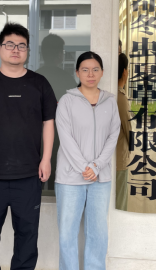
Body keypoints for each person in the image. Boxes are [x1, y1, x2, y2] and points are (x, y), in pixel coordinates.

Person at [0, 23, 57, 271]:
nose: (16, 50)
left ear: (28, 50)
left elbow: (48, 123)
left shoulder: (40, 84)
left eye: (21, 45)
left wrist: (46, 159)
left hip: (29, 175)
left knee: (28, 236)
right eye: (10, 45)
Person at [55, 52, 121, 270]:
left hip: (100, 179)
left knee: (98, 232)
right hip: (70, 177)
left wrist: (96, 166)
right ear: (77, 72)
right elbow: (65, 138)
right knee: (67, 232)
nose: (90, 74)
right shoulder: (66, 101)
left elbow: (113, 136)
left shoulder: (110, 102)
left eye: (95, 69)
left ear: (102, 72)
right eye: (85, 69)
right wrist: (85, 167)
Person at [36, 34, 77, 188]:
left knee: (36, 178)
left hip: (34, 136)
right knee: (56, 175)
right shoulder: (67, 79)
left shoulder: (34, 77)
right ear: (60, 54)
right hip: (60, 136)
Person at [115, 53, 132, 211]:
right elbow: (128, 129)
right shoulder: (120, 97)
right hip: (119, 159)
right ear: (125, 72)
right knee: (120, 202)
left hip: (110, 158)